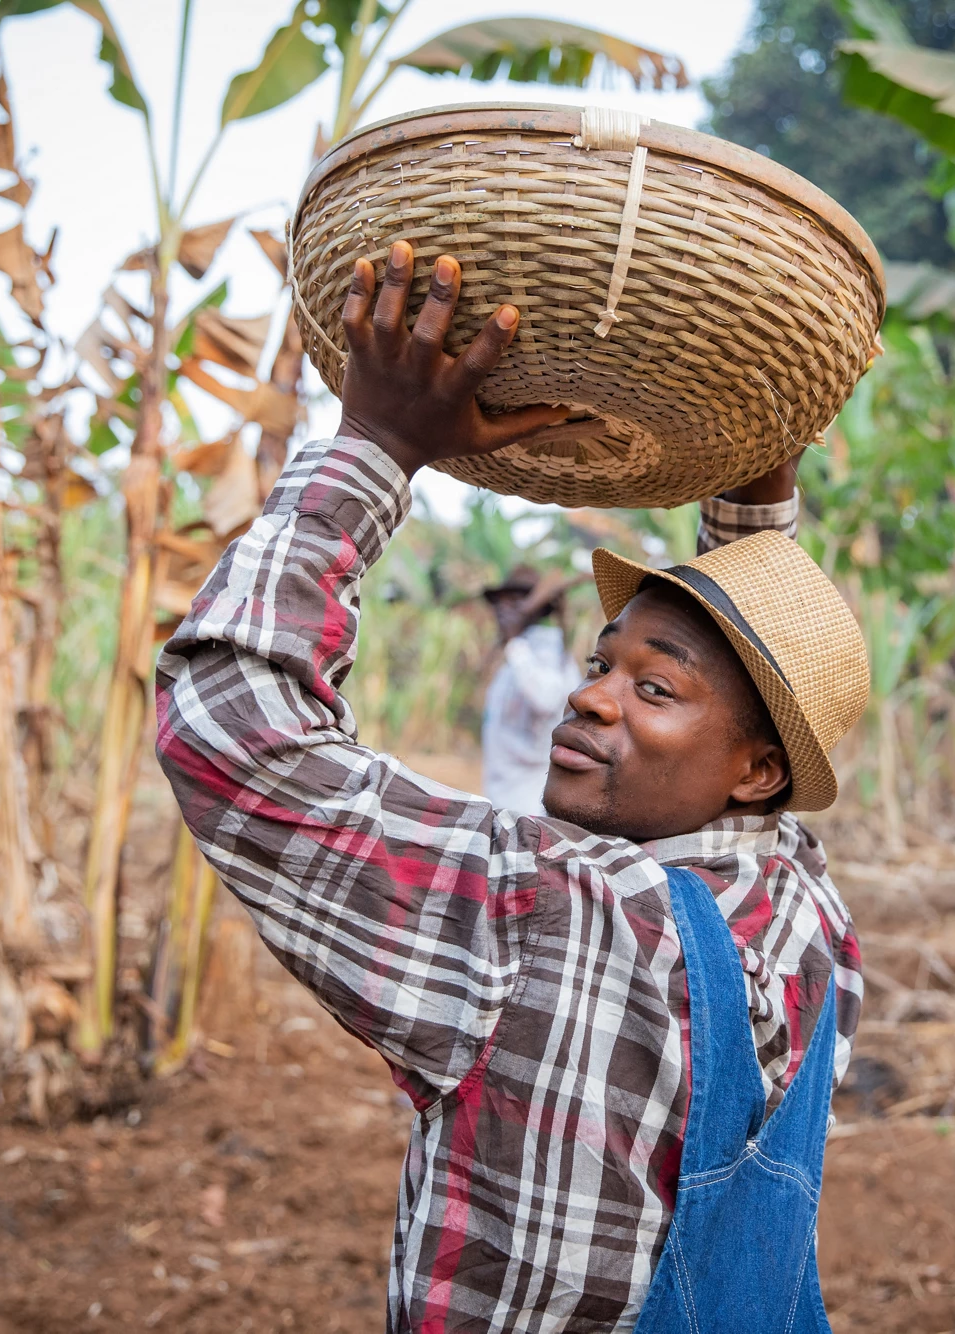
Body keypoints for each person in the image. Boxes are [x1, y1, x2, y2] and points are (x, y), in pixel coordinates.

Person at [156, 242, 868, 1332]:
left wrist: (377, 445)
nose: (589, 700)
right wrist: (751, 481)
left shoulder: (549, 915)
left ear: (756, 768)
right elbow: (759, 689)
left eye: (654, 688)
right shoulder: (807, 915)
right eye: (600, 665)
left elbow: (231, 722)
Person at [479, 565, 581, 815]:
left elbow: (546, 699)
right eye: (500, 602)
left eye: (515, 601)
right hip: (501, 799)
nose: (503, 608)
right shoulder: (514, 658)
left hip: (532, 808)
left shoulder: (548, 648)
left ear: (536, 607)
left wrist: (514, 642)